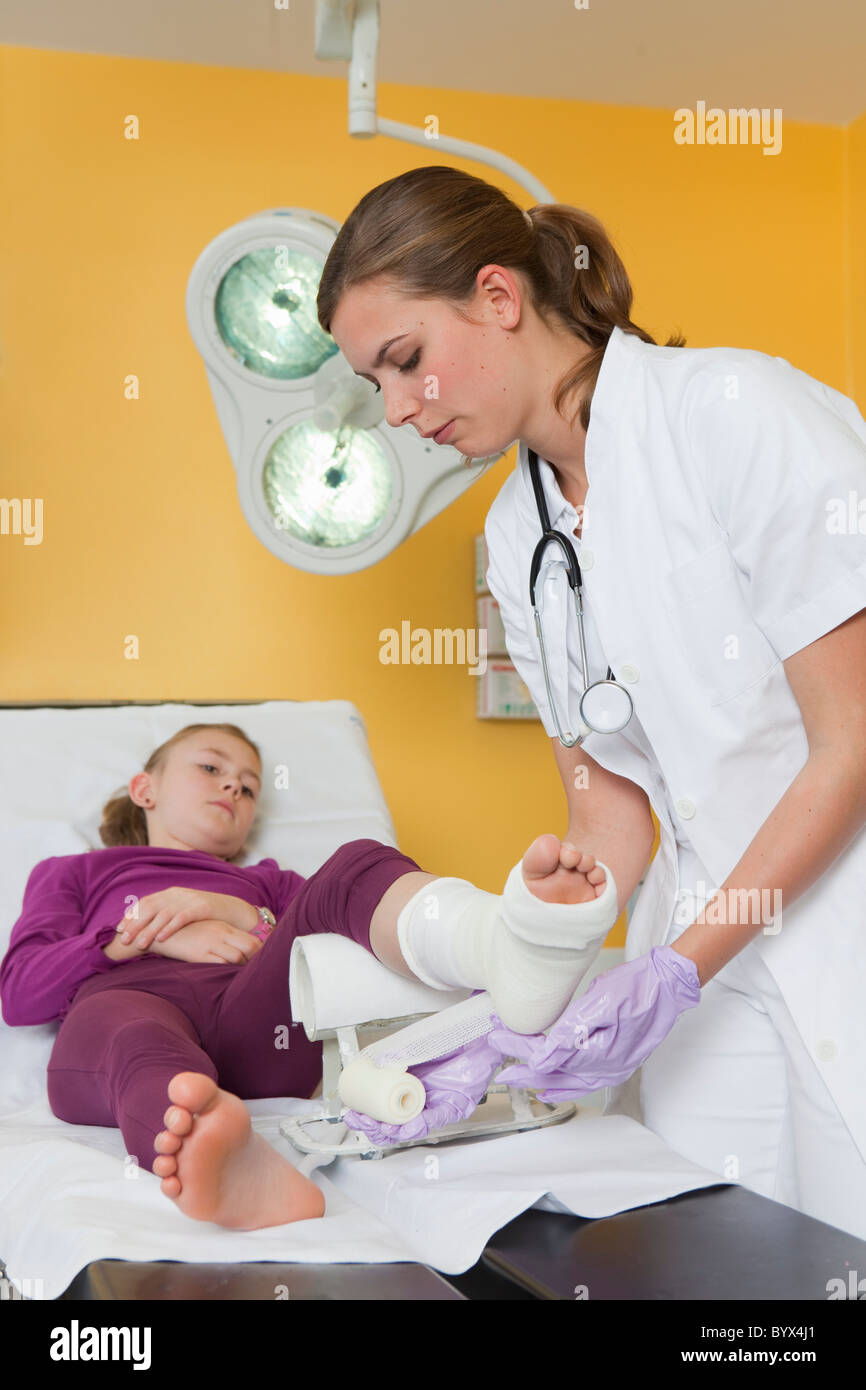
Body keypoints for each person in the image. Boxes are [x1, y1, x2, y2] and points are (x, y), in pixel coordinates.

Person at [318, 164, 866, 1240]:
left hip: (832, 914)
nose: (394, 410)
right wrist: (519, 994)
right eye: (374, 384)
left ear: (496, 296)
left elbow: (847, 743)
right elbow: (610, 812)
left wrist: (671, 969)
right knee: (722, 1276)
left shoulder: (737, 414)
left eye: (405, 361)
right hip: (711, 948)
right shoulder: (513, 538)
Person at [0, 720, 627, 1230]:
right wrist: (138, 935)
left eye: (249, 787)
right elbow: (21, 990)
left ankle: (498, 947)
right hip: (127, 1004)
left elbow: (333, 937)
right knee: (138, 1040)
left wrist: (238, 911)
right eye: (212, 767)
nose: (233, 790)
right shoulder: (76, 871)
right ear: (146, 789)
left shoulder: (266, 881)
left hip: (259, 1029)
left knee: (354, 863)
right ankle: (223, 1160)